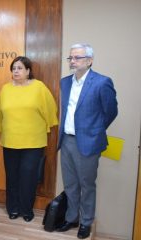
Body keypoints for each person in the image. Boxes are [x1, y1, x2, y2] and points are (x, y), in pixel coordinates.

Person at [56, 43, 118, 239]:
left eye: (77, 58)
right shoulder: (65, 82)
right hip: (66, 141)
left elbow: (111, 112)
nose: (72, 61)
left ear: (89, 61)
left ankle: (86, 222)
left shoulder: (102, 82)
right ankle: (72, 217)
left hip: (88, 143)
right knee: (70, 184)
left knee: (87, 185)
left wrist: (93, 131)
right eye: (70, 58)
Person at [0, 56, 58, 222]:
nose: (16, 71)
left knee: (28, 178)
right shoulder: (5, 89)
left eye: (20, 68)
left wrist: (50, 124)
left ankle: (26, 209)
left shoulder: (39, 87)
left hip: (33, 141)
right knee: (12, 176)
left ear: (28, 71)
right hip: (10, 140)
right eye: (14, 68)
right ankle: (13, 208)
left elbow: (51, 108)